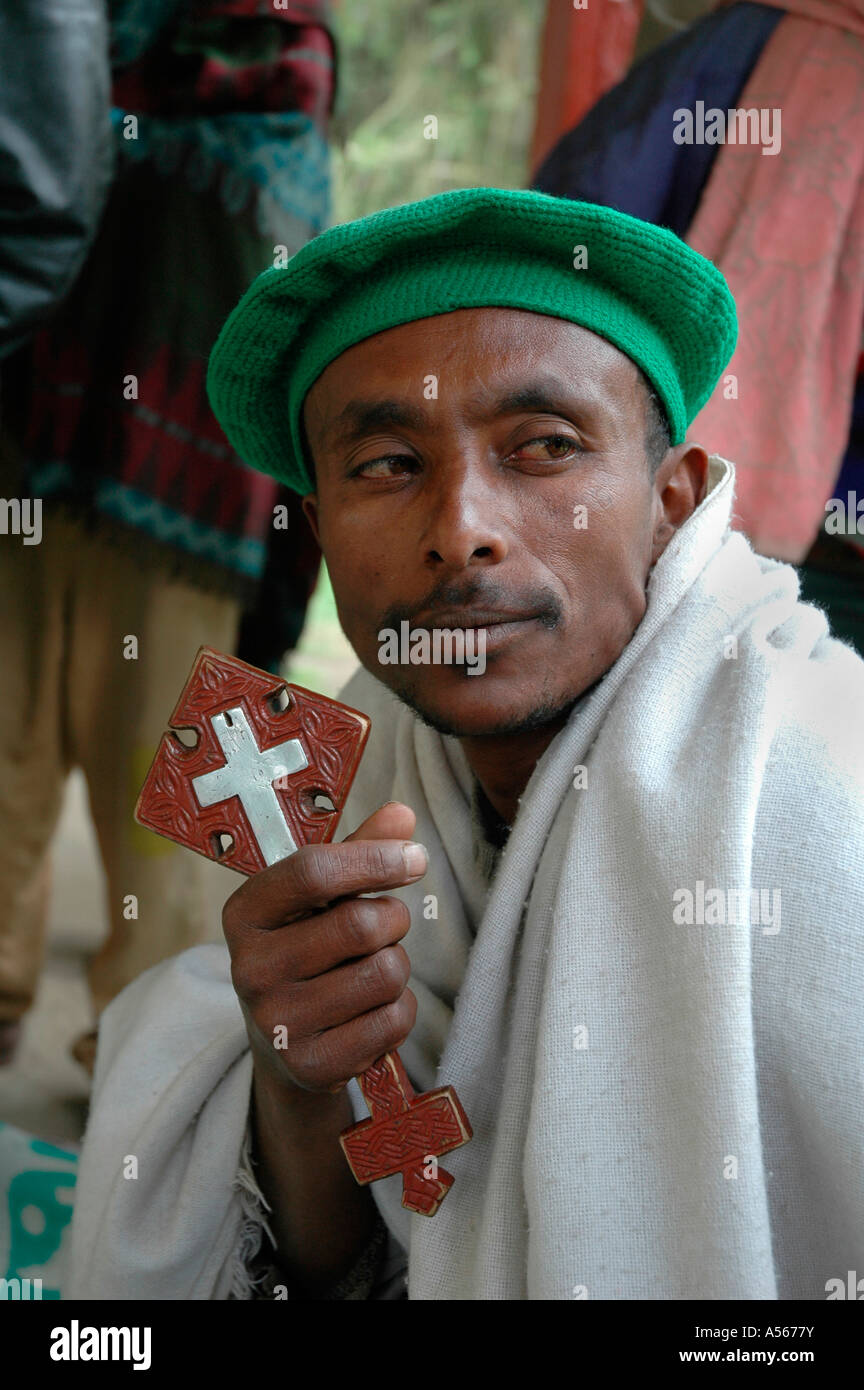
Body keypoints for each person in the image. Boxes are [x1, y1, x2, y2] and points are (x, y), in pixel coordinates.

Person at [68, 188, 864, 1300]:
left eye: (543, 447)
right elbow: (369, 1260)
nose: (461, 530)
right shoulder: (363, 765)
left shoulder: (820, 789)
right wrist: (298, 1086)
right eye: (387, 466)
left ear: (673, 504)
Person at [0, 0, 333, 1072]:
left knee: (188, 790)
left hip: (195, 483)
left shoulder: (277, 48)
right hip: (27, 442)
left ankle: (155, 1066)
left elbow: (277, 249)